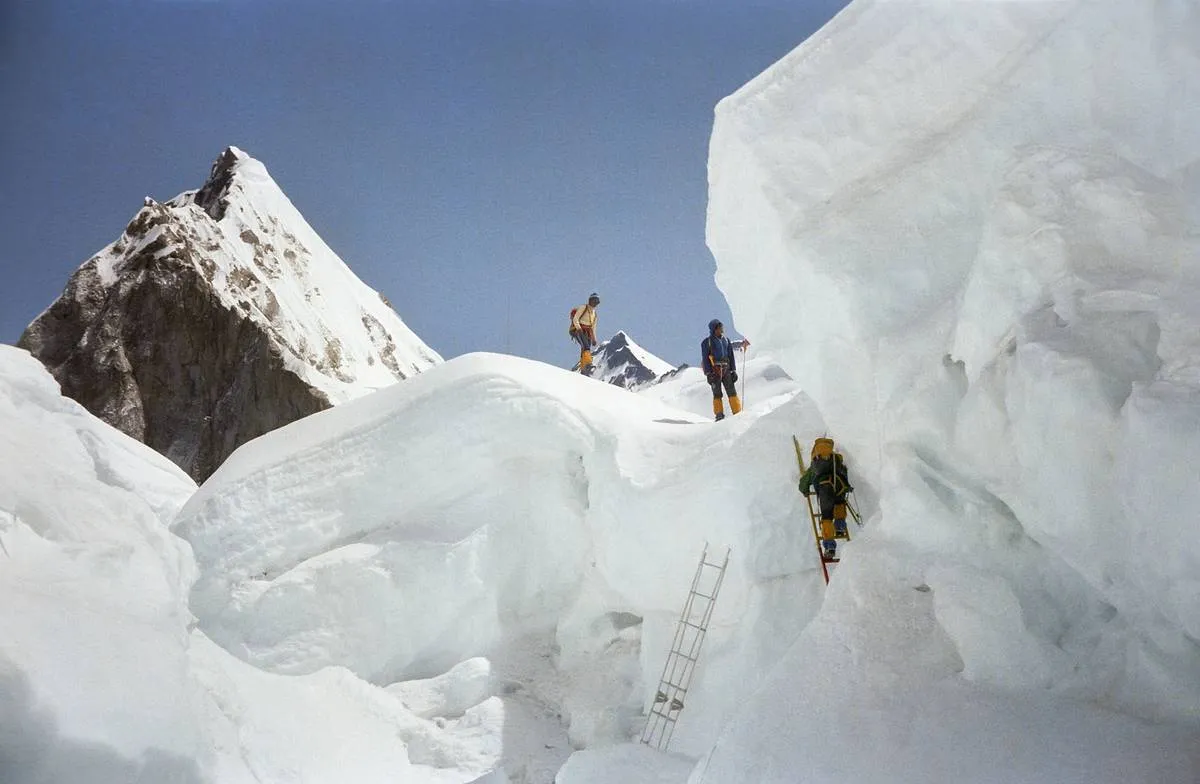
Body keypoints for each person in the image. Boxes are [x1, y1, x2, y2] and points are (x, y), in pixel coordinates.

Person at [798, 438, 853, 560]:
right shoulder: (837, 459)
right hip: (839, 487)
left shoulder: (816, 462)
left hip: (825, 491)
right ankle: (839, 527)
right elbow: (844, 474)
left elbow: (803, 483)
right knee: (839, 504)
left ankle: (829, 547)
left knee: (826, 517)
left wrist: (805, 490)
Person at [701, 319, 742, 421]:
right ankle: (719, 414)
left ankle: (737, 411)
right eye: (719, 327)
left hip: (727, 368)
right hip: (715, 371)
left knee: (732, 391)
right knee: (717, 393)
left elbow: (731, 356)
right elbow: (705, 358)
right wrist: (708, 373)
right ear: (714, 329)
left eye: (722, 327)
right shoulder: (707, 342)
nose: (722, 329)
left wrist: (733, 370)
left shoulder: (726, 340)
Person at [569, 292, 600, 373]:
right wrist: (579, 329)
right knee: (586, 346)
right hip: (578, 330)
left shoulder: (595, 314)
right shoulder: (584, 307)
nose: (595, 303)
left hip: (588, 332)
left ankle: (583, 369)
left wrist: (594, 339)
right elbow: (576, 319)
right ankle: (588, 364)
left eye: (596, 301)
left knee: (585, 348)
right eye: (594, 300)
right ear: (590, 300)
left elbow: (593, 327)